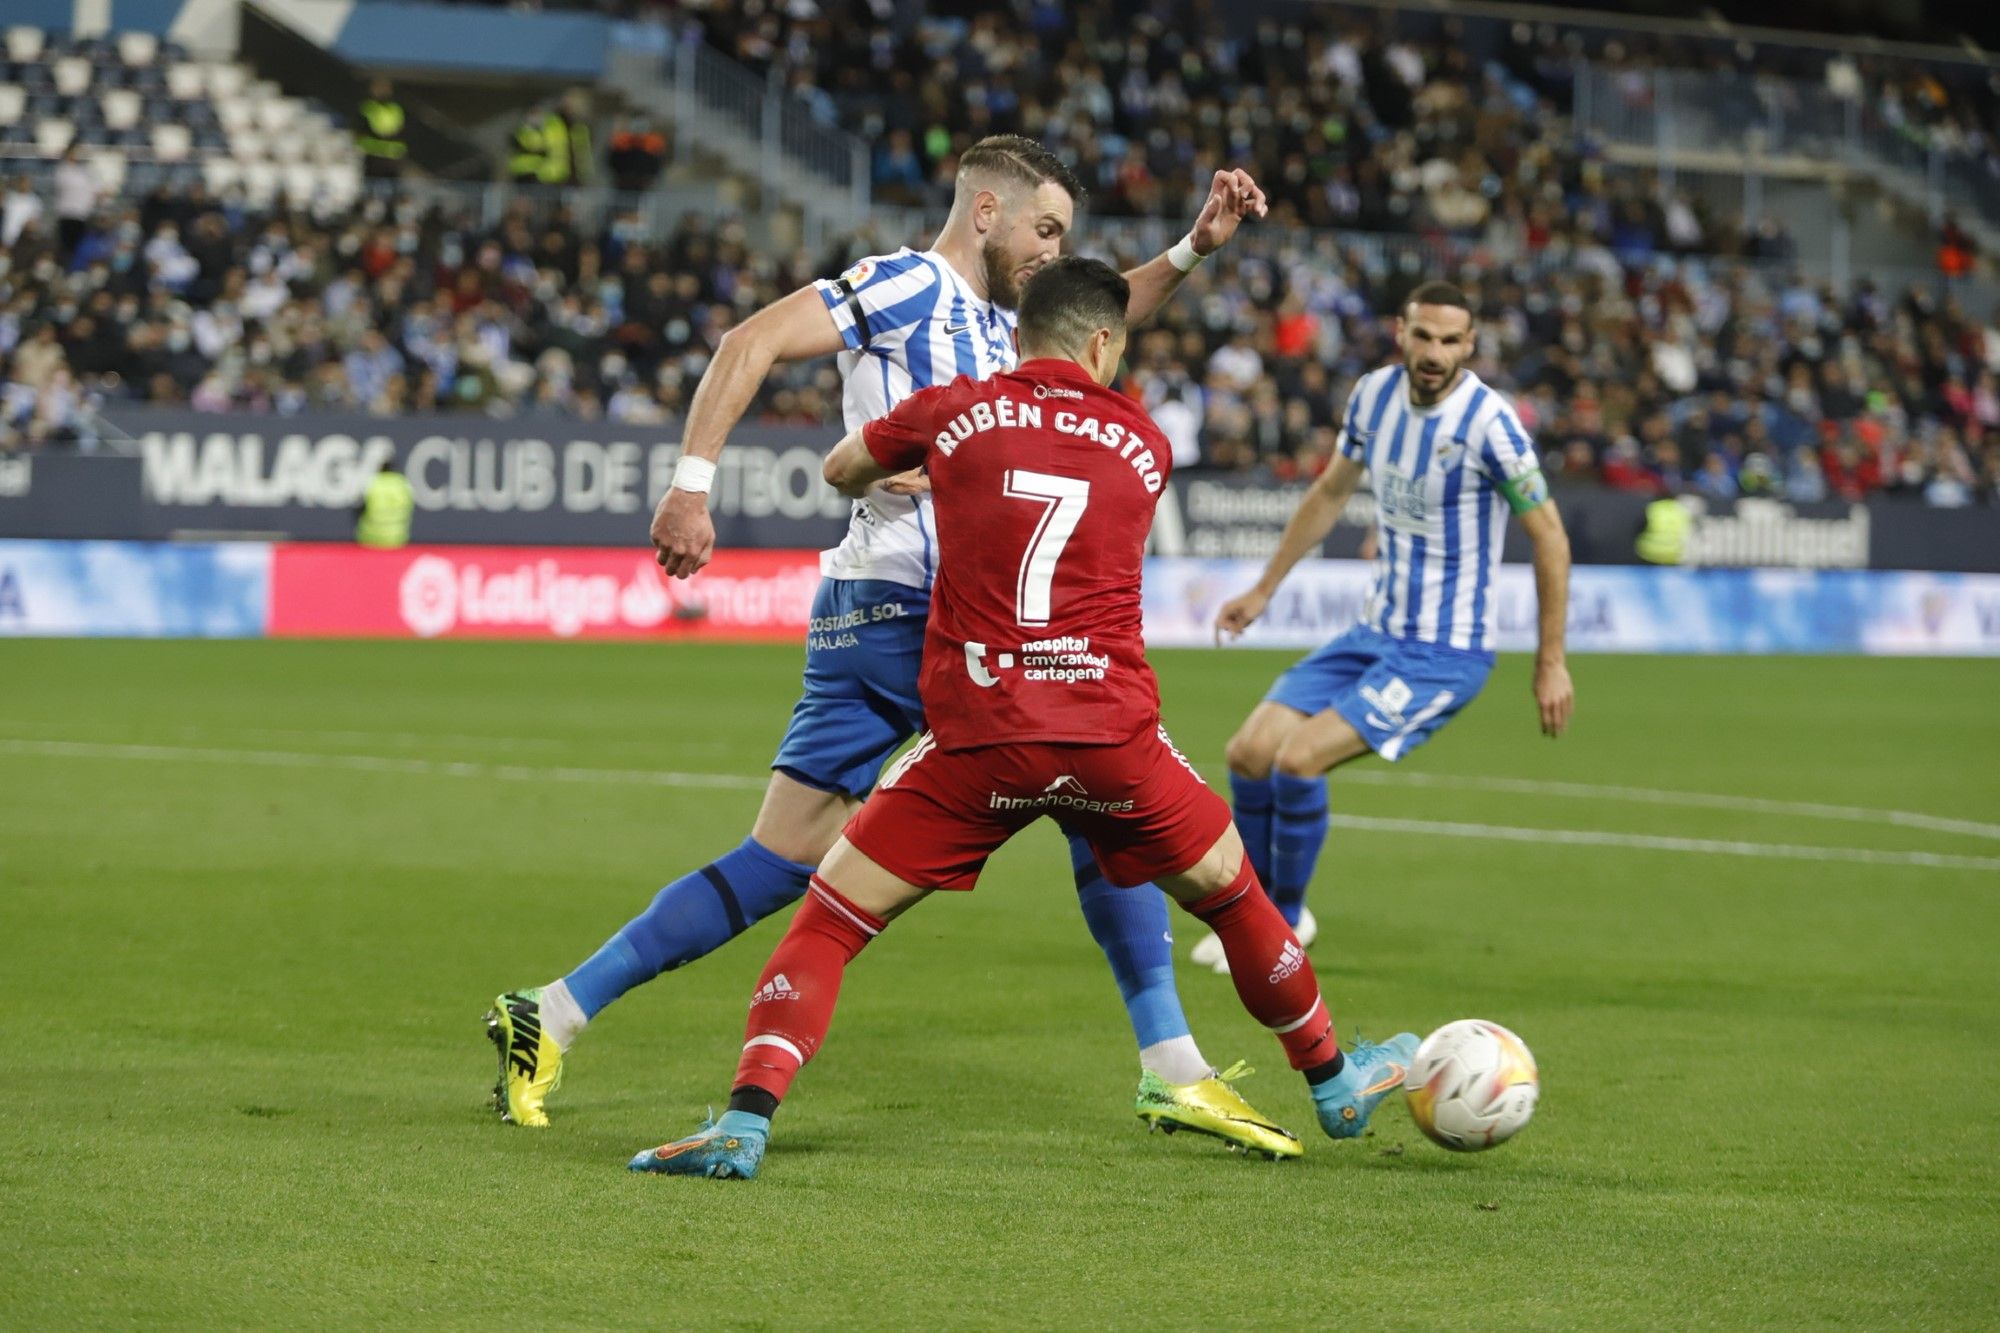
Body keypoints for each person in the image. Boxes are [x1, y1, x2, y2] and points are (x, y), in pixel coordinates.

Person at [486, 136, 1290, 1154]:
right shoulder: (907, 285)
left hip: (869, 605)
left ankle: (550, 1010)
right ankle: (1173, 1065)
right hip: (928, 607)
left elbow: (1096, 316)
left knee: (783, 854)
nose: (1055, 252)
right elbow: (748, 341)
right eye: (1045, 230)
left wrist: (1189, 249)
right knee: (1100, 787)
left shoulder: (1004, 319)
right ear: (987, 213)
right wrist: (692, 486)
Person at [629, 259, 1419, 1179]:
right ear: (1100, 344)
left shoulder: (951, 413)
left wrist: (918, 468)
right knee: (1235, 895)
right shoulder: (1146, 442)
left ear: (1017, 335)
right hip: (1111, 734)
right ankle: (1332, 1080)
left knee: (831, 920)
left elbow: (843, 468)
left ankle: (745, 1121)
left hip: (980, 738)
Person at [1191, 281, 1574, 972]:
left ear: (1471, 344)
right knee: (1248, 751)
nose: (1434, 353)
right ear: (1402, 331)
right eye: (1423, 335)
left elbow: (1549, 536)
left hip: (1443, 651)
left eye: (1450, 340)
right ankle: (1255, 915)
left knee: (1298, 758)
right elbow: (1331, 490)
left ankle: (1282, 921)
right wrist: (1263, 588)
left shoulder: (1490, 424)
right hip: (1374, 631)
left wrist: (1550, 659)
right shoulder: (1372, 396)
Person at [356, 79, 408, 182]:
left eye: (384, 89)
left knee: (391, 186)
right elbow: (360, 128)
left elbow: (400, 128)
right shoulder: (367, 106)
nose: (380, 91)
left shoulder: (395, 108)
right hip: (373, 154)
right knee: (371, 183)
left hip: (391, 156)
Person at [355, 458, 413, 548]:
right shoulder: (403, 483)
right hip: (397, 538)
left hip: (370, 538)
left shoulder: (372, 482)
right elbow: (409, 508)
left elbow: (359, 509)